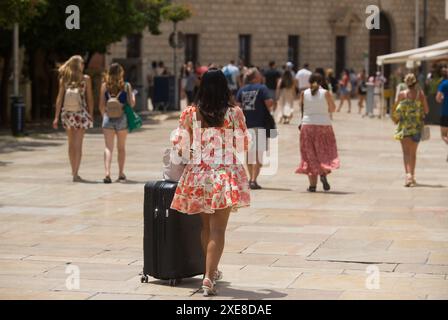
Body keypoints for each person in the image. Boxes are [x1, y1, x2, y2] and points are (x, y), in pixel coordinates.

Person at [170, 68, 251, 297]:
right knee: (219, 229)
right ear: (225, 87)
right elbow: (244, 144)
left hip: (198, 172)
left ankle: (211, 272)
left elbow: (180, 145)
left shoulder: (190, 113)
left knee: (206, 227)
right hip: (225, 172)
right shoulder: (234, 113)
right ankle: (208, 277)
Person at [53, 55, 94, 182]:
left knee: (71, 144)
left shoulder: (64, 79)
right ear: (78, 64)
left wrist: (56, 117)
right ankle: (76, 172)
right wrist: (91, 113)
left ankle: (73, 171)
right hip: (80, 114)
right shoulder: (86, 79)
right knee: (78, 144)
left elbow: (59, 99)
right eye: (82, 63)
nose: (84, 65)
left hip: (67, 114)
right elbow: (90, 98)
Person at [296, 73, 339, 192]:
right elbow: (333, 109)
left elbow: (302, 107)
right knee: (323, 152)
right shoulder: (325, 93)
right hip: (324, 125)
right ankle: (323, 174)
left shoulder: (304, 93)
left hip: (307, 125)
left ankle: (312, 186)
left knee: (309, 155)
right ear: (322, 81)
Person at [236, 68, 274, 190]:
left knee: (249, 154)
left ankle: (249, 178)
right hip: (260, 124)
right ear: (255, 77)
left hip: (246, 126)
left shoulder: (242, 89)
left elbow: (238, 107)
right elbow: (269, 103)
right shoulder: (262, 88)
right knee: (258, 154)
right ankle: (253, 180)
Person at [99, 63, 136, 184]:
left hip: (108, 118)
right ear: (121, 73)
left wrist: (105, 115)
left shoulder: (105, 86)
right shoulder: (126, 86)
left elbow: (101, 105)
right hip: (122, 118)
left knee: (108, 148)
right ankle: (120, 173)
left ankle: (107, 173)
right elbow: (131, 103)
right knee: (121, 148)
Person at [392, 73, 429, 187]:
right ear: (415, 82)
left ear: (406, 83)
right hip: (416, 127)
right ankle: (412, 176)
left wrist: (396, 119)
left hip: (404, 128)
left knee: (406, 153)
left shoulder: (402, 95)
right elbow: (426, 110)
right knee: (413, 154)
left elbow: (396, 110)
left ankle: (408, 175)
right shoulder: (420, 94)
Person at [436, 67, 448, 161]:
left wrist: (442, 99)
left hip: (445, 112)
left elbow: (438, 98)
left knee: (444, 135)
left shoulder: (443, 84)